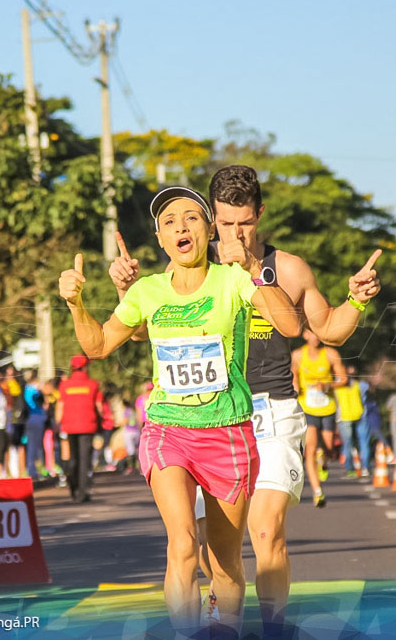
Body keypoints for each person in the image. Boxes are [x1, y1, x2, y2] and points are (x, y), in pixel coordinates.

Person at [109, 166, 381, 636]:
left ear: (260, 215)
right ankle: (220, 620)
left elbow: (327, 330)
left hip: (271, 410)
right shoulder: (191, 262)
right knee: (203, 549)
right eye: (226, 223)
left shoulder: (288, 268)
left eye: (246, 223)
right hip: (201, 419)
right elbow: (140, 329)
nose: (235, 233)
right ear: (211, 219)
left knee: (266, 530)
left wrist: (355, 301)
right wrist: (123, 288)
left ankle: (273, 628)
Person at [66, 185, 302, 637]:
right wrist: (77, 304)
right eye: (169, 221)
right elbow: (96, 345)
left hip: (228, 431)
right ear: (159, 238)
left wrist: (253, 268)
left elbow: (289, 324)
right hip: (168, 430)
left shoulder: (233, 279)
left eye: (192, 218)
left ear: (209, 230)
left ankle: (226, 629)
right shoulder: (147, 291)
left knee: (226, 561)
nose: (181, 227)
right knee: (182, 543)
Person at [292, 329, 348, 504]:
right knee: (310, 450)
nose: (315, 337)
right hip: (307, 408)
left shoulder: (330, 354)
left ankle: (323, 458)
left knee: (328, 446)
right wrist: (294, 389)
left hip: (327, 407)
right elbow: (294, 375)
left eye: (317, 333)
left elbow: (344, 378)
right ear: (305, 335)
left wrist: (328, 385)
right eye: (311, 333)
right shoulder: (298, 355)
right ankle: (318, 492)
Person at [55, 355, 104, 503]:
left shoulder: (65, 385)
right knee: (85, 459)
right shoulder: (92, 384)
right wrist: (101, 420)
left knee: (73, 458)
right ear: (84, 367)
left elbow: (60, 406)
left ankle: (73, 487)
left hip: (69, 426)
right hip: (87, 426)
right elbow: (99, 407)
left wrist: (57, 423)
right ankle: (82, 493)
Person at [334, 365, 370, 478]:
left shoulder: (337, 386)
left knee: (348, 444)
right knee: (364, 442)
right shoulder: (358, 384)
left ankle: (350, 469)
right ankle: (365, 468)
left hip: (344, 417)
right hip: (360, 414)